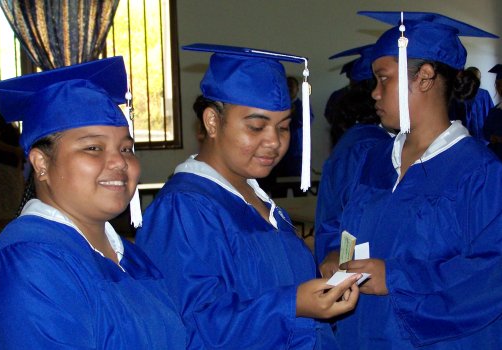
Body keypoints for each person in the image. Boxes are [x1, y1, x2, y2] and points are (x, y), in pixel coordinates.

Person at [136, 43, 360, 349]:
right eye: (256, 127)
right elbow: (192, 325)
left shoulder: (255, 197)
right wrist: (292, 304)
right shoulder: (184, 208)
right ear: (212, 121)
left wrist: (322, 275)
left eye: (283, 127)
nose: (274, 142)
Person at [319, 11, 502, 349]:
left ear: (425, 77)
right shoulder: (374, 160)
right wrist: (334, 254)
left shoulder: (480, 172)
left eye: (383, 78)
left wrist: (398, 278)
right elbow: (344, 226)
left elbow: (492, 273)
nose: (374, 93)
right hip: (361, 331)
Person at [0, 57, 186, 349]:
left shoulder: (131, 257)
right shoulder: (27, 263)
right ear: (41, 163)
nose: (119, 161)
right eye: (93, 147)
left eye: (126, 148)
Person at [315, 44, 394, 265]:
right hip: (354, 258)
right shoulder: (370, 146)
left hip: (339, 250)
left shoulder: (355, 138)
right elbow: (354, 217)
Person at [0, 112, 24, 232]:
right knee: (4, 209)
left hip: (13, 169)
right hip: (2, 169)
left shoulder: (12, 122)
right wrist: (15, 150)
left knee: (14, 206)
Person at [449, 66, 494, 141]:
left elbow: (491, 114)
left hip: (471, 136)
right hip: (473, 136)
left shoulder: (484, 94)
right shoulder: (458, 95)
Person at [483, 64, 502, 159]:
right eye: (498, 84)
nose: (500, 88)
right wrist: (492, 137)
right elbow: (485, 130)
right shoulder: (494, 111)